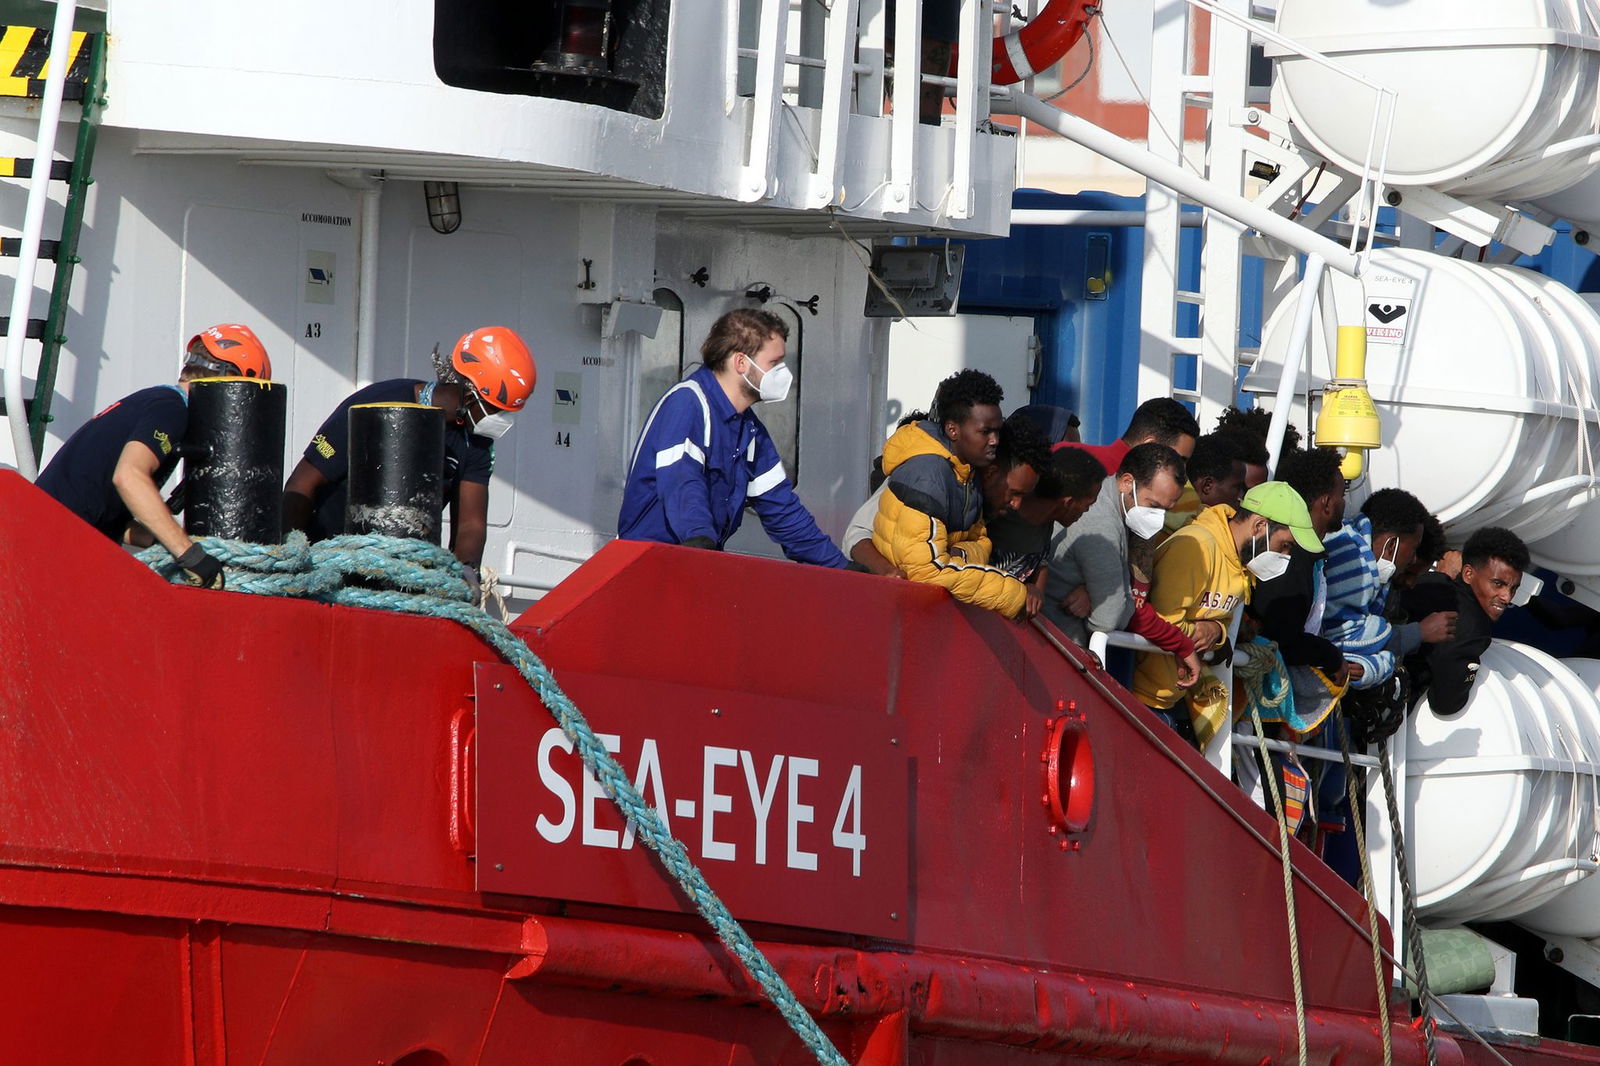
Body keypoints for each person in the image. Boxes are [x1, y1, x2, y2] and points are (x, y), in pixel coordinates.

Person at [285, 327, 535, 584]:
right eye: (496, 410)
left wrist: (466, 571)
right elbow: (303, 484)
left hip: (403, 581)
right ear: (471, 393)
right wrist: (288, 560)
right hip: (324, 566)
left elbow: (470, 524)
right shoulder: (376, 402)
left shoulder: (477, 443)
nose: (501, 421)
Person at [36, 323, 272, 588]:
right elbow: (128, 477)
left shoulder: (151, 401)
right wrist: (191, 556)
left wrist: (164, 540)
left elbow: (98, 510)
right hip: (46, 550)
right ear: (230, 381)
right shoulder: (171, 410)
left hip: (42, 537)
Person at [618, 309, 846, 568]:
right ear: (741, 363)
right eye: (774, 363)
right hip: (649, 565)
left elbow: (782, 510)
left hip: (695, 561)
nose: (783, 373)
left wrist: (843, 568)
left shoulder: (749, 429)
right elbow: (682, 482)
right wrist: (700, 539)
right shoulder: (688, 403)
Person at [1135, 481, 1323, 741]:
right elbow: (1161, 622)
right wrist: (1204, 631)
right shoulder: (1196, 547)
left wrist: (1216, 630)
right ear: (1259, 526)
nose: (1286, 556)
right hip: (1139, 699)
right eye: (1285, 545)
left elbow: (1220, 624)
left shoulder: (1238, 563)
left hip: (1171, 701)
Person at [871, 369, 1030, 616]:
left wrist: (957, 554)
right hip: (891, 608)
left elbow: (981, 541)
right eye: (985, 431)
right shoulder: (928, 474)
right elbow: (925, 572)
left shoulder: (966, 471)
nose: (995, 440)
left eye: (997, 431)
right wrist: (1012, 595)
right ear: (953, 430)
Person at [845, 410, 1052, 580]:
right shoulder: (925, 474)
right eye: (1014, 493)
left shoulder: (989, 509)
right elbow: (856, 535)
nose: (1016, 504)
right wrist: (889, 572)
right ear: (992, 472)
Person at [1042, 443, 1187, 646]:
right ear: (1127, 482)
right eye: (1153, 505)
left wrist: (1101, 595)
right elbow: (1107, 619)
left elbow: (1119, 602)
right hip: (1058, 647)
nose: (1158, 518)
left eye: (1166, 510)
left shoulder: (1114, 508)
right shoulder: (1101, 523)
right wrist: (1111, 599)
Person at [1319, 487, 1455, 690]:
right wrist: (1417, 633)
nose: (1413, 558)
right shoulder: (1353, 562)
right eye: (1414, 548)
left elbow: (1358, 655)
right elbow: (1345, 640)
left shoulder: (1372, 570)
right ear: (1392, 545)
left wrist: (1371, 667)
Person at [1246, 446, 1351, 684]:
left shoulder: (1305, 556)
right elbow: (1282, 636)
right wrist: (1331, 657)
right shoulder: (1294, 557)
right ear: (1326, 503)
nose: (1344, 503)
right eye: (1341, 496)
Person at [1407, 526, 1528, 715]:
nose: (1507, 597)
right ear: (1468, 574)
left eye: (1513, 588)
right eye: (1498, 584)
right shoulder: (1473, 630)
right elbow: (1446, 704)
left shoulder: (1429, 582)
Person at [1056, 396, 1199, 473]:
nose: (1183, 472)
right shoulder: (1120, 481)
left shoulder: (1062, 454)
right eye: (1179, 460)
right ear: (1150, 446)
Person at [1155, 431, 1248, 537]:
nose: (1241, 497)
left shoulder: (1158, 516)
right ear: (1207, 486)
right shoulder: (1198, 536)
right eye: (1237, 487)